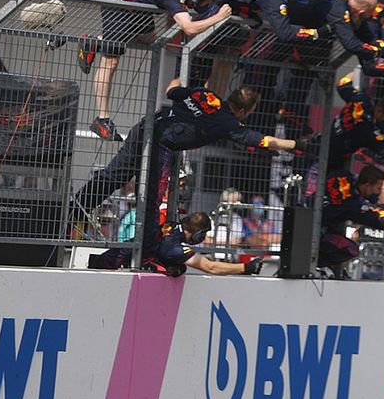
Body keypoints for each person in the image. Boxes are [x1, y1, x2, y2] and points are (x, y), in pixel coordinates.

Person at [77, 83, 306, 269]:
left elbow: (173, 91)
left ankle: (74, 209)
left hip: (146, 127)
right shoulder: (229, 123)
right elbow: (266, 141)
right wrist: (297, 144)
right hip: (161, 144)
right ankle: (146, 256)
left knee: (113, 176)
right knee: (152, 203)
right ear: (246, 111)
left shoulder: (208, 94)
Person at [77, 0, 233, 140]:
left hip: (139, 4)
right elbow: (189, 28)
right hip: (119, 2)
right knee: (111, 61)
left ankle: (96, 42)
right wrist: (219, 17)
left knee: (149, 39)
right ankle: (102, 119)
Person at [318, 165, 384, 276]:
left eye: (383, 189)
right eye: (378, 189)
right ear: (367, 186)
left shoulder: (345, 180)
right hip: (368, 269)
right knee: (348, 248)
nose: (379, 192)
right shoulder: (358, 207)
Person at [146, 211, 264, 276]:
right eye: (204, 234)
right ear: (198, 234)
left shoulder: (171, 226)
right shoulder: (176, 248)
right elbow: (210, 267)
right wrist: (246, 267)